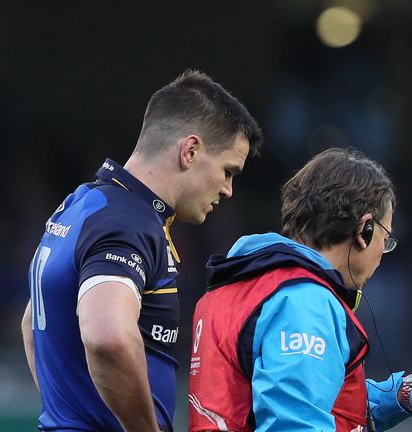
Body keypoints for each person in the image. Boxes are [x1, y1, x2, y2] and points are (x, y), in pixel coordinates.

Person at [21, 70, 263, 432]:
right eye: (228, 171)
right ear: (191, 150)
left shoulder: (84, 203)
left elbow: (32, 323)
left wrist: (67, 413)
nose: (228, 189)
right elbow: (109, 338)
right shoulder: (128, 223)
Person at [188, 148, 412, 431]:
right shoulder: (304, 302)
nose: (384, 253)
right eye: (386, 239)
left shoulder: (246, 284)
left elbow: (312, 396)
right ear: (364, 230)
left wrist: (401, 396)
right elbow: (296, 424)